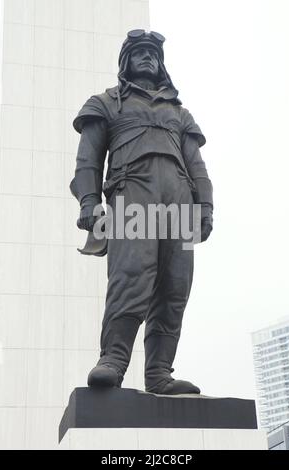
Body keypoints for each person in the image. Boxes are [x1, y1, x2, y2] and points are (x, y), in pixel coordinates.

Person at [70, 30, 213, 395]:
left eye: (152, 53)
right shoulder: (106, 103)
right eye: (139, 52)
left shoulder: (179, 113)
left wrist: (206, 205)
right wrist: (89, 201)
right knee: (131, 277)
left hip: (179, 205)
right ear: (126, 62)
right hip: (132, 197)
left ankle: (159, 373)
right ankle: (113, 360)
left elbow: (196, 164)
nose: (147, 57)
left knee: (174, 286)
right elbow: (88, 160)